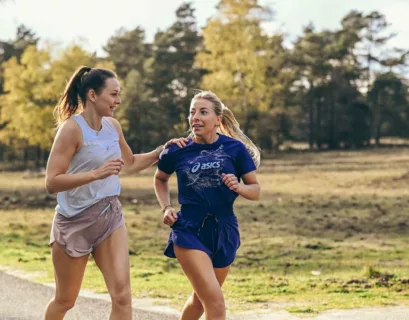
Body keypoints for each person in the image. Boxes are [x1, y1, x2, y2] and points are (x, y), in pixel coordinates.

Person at [44, 66, 186, 320]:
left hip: (109, 217)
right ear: (92, 95)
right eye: (113, 95)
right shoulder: (71, 130)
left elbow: (129, 163)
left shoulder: (113, 127)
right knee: (65, 300)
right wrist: (96, 174)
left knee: (122, 297)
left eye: (119, 95)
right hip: (73, 221)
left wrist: (161, 150)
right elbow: (51, 182)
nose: (118, 101)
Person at [154, 90, 261, 320]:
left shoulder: (234, 149)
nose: (196, 117)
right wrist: (166, 207)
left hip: (224, 229)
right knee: (215, 303)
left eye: (203, 112)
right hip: (189, 229)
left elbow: (255, 191)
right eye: (192, 112)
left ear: (217, 120)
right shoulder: (177, 149)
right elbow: (160, 178)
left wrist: (239, 187)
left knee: (199, 301)